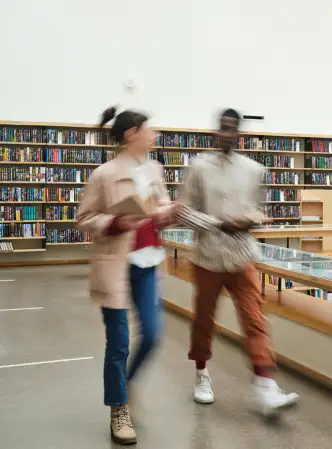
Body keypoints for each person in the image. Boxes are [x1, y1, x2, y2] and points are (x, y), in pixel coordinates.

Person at [176, 108, 299, 416]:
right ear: (216, 132)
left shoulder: (253, 170)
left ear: (239, 133)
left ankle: (265, 384)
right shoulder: (199, 168)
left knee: (255, 319)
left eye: (232, 129)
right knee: (204, 319)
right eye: (222, 128)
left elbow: (260, 210)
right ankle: (201, 374)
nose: (226, 134)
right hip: (208, 258)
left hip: (243, 256)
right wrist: (217, 223)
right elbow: (183, 211)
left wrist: (248, 220)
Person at [77, 107, 178, 445]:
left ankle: (128, 383)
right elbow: (85, 218)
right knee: (119, 343)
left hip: (148, 263)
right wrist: (115, 222)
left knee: (152, 335)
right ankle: (118, 409)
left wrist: (169, 213)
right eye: (150, 129)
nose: (155, 135)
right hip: (115, 266)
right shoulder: (103, 175)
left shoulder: (155, 168)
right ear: (132, 133)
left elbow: (158, 205)